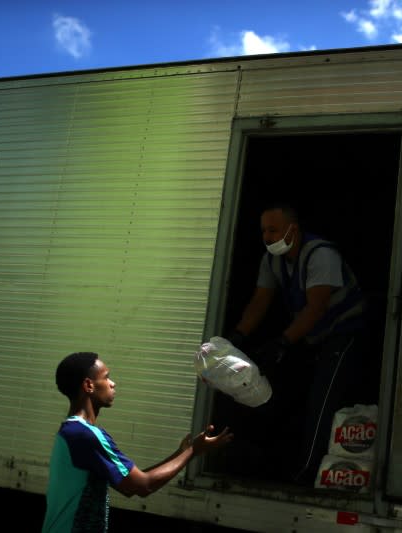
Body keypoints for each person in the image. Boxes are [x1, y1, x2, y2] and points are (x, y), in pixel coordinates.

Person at [226, 203, 367, 484]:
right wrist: (237, 337)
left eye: (273, 229)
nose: (267, 236)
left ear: (294, 229)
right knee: (288, 396)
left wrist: (282, 342)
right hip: (313, 337)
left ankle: (307, 474)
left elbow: (316, 308)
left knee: (321, 403)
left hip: (346, 333)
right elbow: (260, 301)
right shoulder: (272, 260)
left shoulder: (321, 254)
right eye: (264, 230)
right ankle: (280, 464)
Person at [42, 351, 233, 533]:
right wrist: (193, 451)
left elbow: (130, 483)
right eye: (107, 377)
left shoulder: (72, 431)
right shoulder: (85, 435)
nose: (113, 383)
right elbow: (143, 486)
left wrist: (181, 453)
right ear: (89, 385)